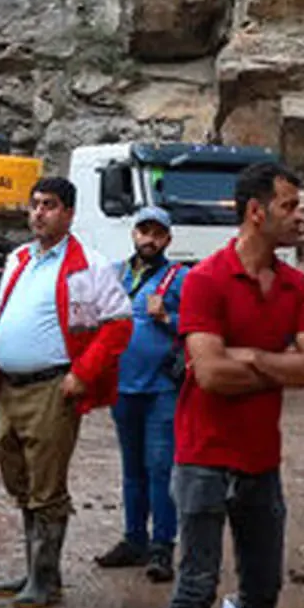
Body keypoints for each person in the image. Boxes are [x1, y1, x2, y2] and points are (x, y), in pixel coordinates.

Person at [156, 162, 304, 608]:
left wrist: (249, 357)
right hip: (203, 457)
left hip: (260, 461)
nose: (300, 217)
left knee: (263, 588)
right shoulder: (206, 280)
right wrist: (281, 365)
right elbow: (210, 375)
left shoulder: (297, 286)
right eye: (289, 206)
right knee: (195, 586)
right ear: (256, 212)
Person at [0, 178, 133, 608]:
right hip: (12, 388)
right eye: (34, 205)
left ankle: (44, 580)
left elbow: (119, 323)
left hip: (53, 387)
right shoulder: (18, 258)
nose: (39, 213)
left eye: (49, 206)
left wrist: (83, 374)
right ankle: (37, 569)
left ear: (69, 213)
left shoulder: (88, 264)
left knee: (47, 486)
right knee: (21, 481)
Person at [95, 206, 185, 584]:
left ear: (167, 239)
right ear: (133, 234)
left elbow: (200, 325)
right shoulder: (115, 274)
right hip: (123, 386)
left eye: (157, 234)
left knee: (161, 469)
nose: (149, 239)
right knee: (132, 470)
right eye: (143, 232)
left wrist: (168, 319)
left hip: (162, 389)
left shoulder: (179, 278)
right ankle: (135, 539)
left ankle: (162, 546)